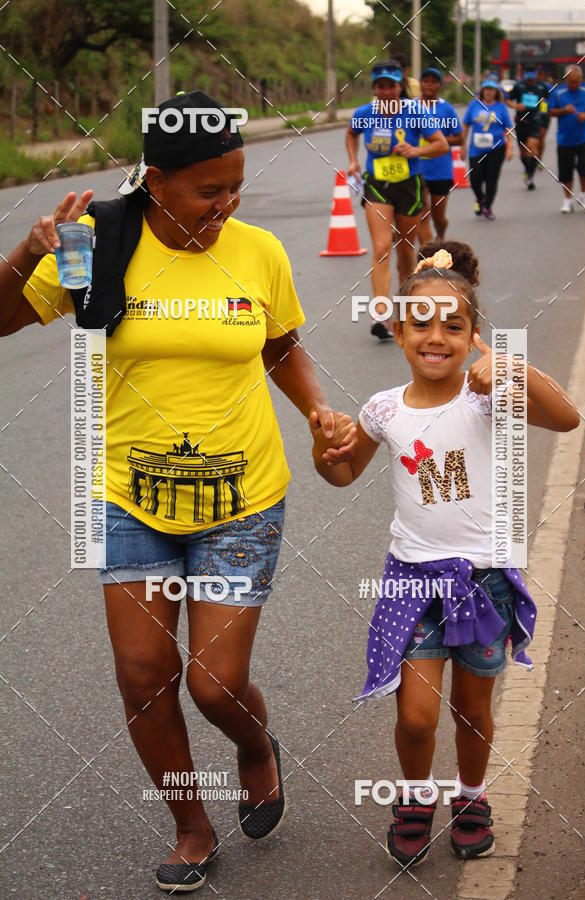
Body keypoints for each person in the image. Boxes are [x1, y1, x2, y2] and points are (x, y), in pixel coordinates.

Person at [0, 91, 356, 893]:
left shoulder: (258, 251)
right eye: (210, 191)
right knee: (141, 671)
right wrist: (29, 253)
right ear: (155, 182)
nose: (226, 206)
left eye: (236, 188)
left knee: (216, 684)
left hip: (243, 499)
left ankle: (256, 747)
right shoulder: (96, 244)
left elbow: (281, 345)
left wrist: (318, 409)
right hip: (129, 501)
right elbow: (1, 318)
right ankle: (191, 825)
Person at [310, 242, 580, 867]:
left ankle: (471, 796)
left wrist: (512, 370)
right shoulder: (383, 409)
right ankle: (412, 797)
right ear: (399, 331)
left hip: (484, 584)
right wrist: (325, 452)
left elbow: (566, 419)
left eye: (454, 327)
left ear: (474, 337)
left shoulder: (487, 397)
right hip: (412, 581)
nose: (437, 337)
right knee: (416, 715)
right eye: (421, 324)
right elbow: (343, 475)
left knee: (473, 709)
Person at [346, 61, 448, 340]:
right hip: (378, 184)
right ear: (374, 88)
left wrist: (415, 150)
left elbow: (441, 145)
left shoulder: (415, 112)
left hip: (409, 185)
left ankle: (403, 311)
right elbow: (351, 134)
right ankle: (380, 314)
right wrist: (354, 160)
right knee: (381, 248)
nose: (387, 91)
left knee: (405, 249)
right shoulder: (364, 114)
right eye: (381, 86)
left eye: (391, 85)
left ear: (399, 86)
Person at [416, 67, 463, 242]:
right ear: (420, 84)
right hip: (416, 169)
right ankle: (427, 253)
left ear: (440, 86)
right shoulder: (410, 107)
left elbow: (459, 138)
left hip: (441, 171)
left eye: (433, 81)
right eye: (425, 80)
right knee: (422, 212)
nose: (429, 84)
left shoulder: (446, 109)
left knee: (438, 216)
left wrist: (438, 141)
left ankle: (441, 233)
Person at [462, 80, 513, 220]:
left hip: (497, 148)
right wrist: (462, 146)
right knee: (475, 179)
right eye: (486, 89)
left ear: (496, 92)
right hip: (476, 149)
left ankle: (488, 207)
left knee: (491, 178)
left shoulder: (501, 107)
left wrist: (510, 148)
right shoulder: (474, 105)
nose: (489, 92)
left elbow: (508, 128)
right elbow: (465, 126)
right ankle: (480, 198)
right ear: (482, 91)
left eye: (492, 90)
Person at [549, 65, 585, 213]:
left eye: (577, 81)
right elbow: (551, 111)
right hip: (564, 139)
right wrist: (564, 110)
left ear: (581, 79)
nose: (574, 84)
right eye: (571, 81)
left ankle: (584, 195)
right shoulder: (558, 93)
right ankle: (567, 200)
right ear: (566, 79)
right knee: (566, 171)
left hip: (583, 138)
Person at [507, 66, 548, 190]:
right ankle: (527, 168)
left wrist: (545, 116)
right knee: (523, 153)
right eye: (528, 75)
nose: (530, 78)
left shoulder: (542, 87)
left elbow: (549, 101)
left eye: (532, 74)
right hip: (521, 122)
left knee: (532, 148)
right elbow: (507, 100)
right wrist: (515, 106)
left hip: (535, 121)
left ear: (536, 74)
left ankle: (530, 177)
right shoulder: (519, 86)